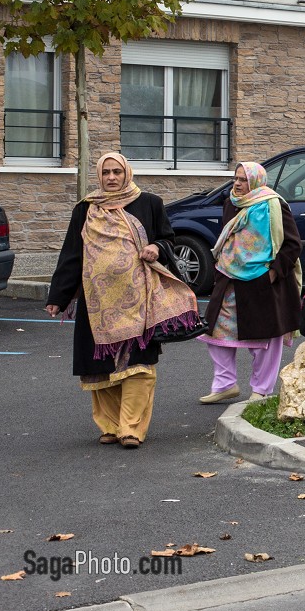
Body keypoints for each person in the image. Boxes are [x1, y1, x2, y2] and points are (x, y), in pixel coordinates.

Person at [45, 152, 200, 448]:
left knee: (138, 365)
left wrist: (156, 247)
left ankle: (131, 429)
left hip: (139, 300)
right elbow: (72, 254)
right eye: (106, 173)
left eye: (117, 172)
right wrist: (59, 296)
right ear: (99, 176)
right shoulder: (86, 208)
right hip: (96, 304)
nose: (112, 177)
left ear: (127, 172)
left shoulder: (149, 203)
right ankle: (110, 425)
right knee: (99, 365)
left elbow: (169, 238)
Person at [197, 162, 303, 404]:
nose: (237, 183)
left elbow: (292, 244)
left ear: (256, 181)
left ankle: (261, 390)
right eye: (236, 178)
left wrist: (273, 274)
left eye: (243, 179)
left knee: (264, 339)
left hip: (263, 281)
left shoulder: (274, 205)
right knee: (217, 332)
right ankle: (225, 384)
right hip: (229, 278)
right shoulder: (231, 204)